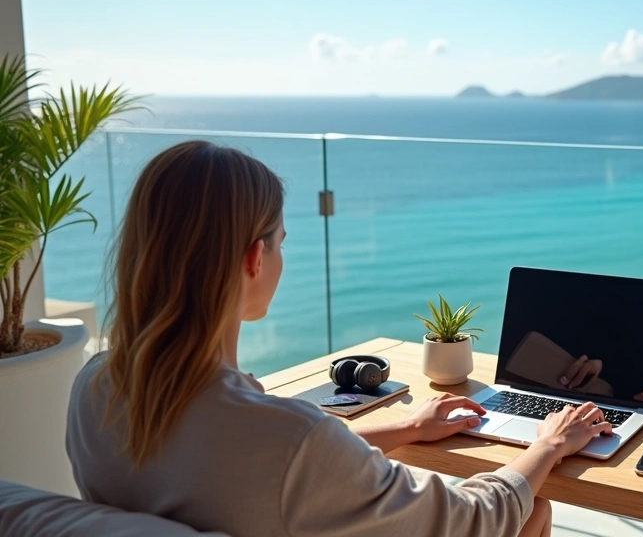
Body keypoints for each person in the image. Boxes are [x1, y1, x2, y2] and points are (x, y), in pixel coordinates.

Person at [66, 141, 612, 537]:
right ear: (255, 258)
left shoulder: (94, 389)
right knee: (533, 509)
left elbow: (273, 468)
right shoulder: (281, 435)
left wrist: (404, 428)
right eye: (280, 243)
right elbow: (469, 520)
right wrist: (548, 444)